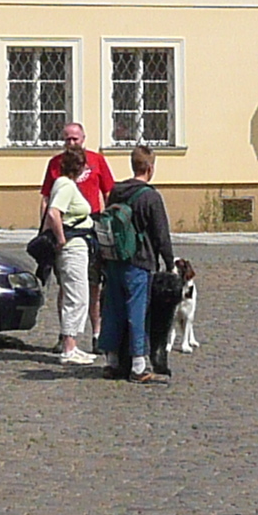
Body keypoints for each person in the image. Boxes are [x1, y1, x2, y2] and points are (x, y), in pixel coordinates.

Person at [99, 146, 177, 379]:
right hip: (139, 261)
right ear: (150, 168)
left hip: (113, 259)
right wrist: (169, 263)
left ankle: (112, 361)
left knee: (112, 309)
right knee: (137, 311)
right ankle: (138, 365)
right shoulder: (151, 197)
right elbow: (161, 234)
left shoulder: (116, 191)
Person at [41, 151, 100, 366]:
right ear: (80, 167)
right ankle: (68, 347)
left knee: (78, 295)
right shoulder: (65, 185)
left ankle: (73, 344)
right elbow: (53, 212)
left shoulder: (63, 183)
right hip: (72, 248)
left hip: (78, 247)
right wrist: (62, 238)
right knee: (76, 296)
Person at [40, 122, 117, 209]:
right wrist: (44, 221)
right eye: (68, 139)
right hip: (65, 217)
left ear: (83, 139)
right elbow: (46, 197)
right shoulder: (55, 163)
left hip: (92, 216)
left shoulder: (97, 159)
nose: (71, 143)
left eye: (75, 139)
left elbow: (108, 193)